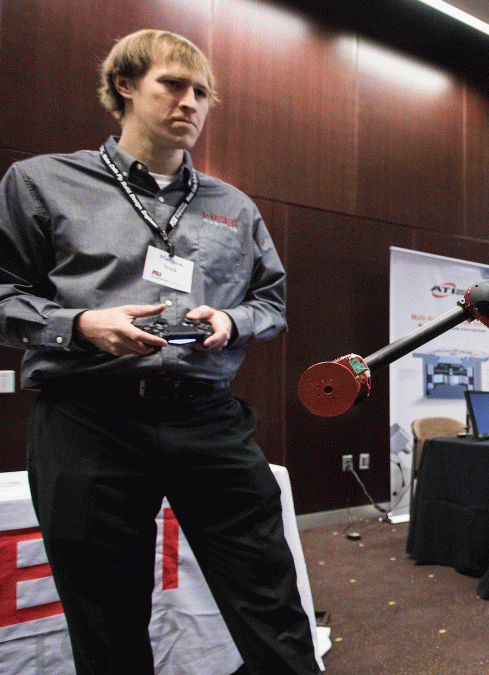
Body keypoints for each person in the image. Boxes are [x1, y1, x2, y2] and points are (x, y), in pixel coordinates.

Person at [0, 30, 319, 674]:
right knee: (106, 612)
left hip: (205, 415)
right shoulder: (42, 183)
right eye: (173, 85)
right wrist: (83, 324)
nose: (192, 104)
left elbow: (273, 305)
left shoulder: (233, 206)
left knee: (269, 595)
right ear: (124, 86)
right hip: (88, 417)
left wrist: (233, 320)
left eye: (203, 93)